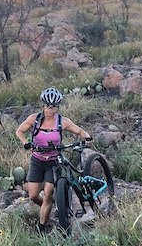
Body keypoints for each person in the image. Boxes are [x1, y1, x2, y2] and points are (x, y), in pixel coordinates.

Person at [16, 87, 92, 233]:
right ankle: (52, 205)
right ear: (43, 106)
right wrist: (25, 142)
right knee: (33, 195)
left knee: (47, 194)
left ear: (57, 107)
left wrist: (87, 137)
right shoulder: (34, 119)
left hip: (54, 162)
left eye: (53, 107)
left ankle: (42, 228)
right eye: (47, 107)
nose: (50, 110)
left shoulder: (62, 122)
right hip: (37, 161)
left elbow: (80, 131)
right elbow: (19, 131)